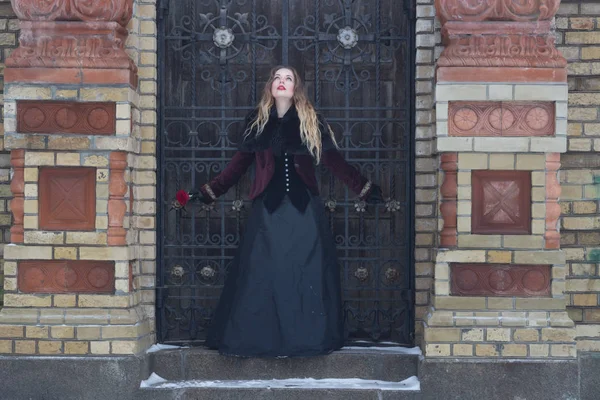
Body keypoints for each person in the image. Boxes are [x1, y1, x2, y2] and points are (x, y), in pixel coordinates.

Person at [193, 65, 383, 358]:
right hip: (267, 213)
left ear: (296, 87)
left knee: (302, 273)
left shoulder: (310, 122)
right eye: (277, 78)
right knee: (262, 277)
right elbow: (237, 167)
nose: (282, 82)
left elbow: (334, 162)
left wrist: (365, 189)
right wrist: (208, 192)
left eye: (289, 78)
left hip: (303, 210)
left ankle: (303, 340)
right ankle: (264, 341)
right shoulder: (256, 123)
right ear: (270, 85)